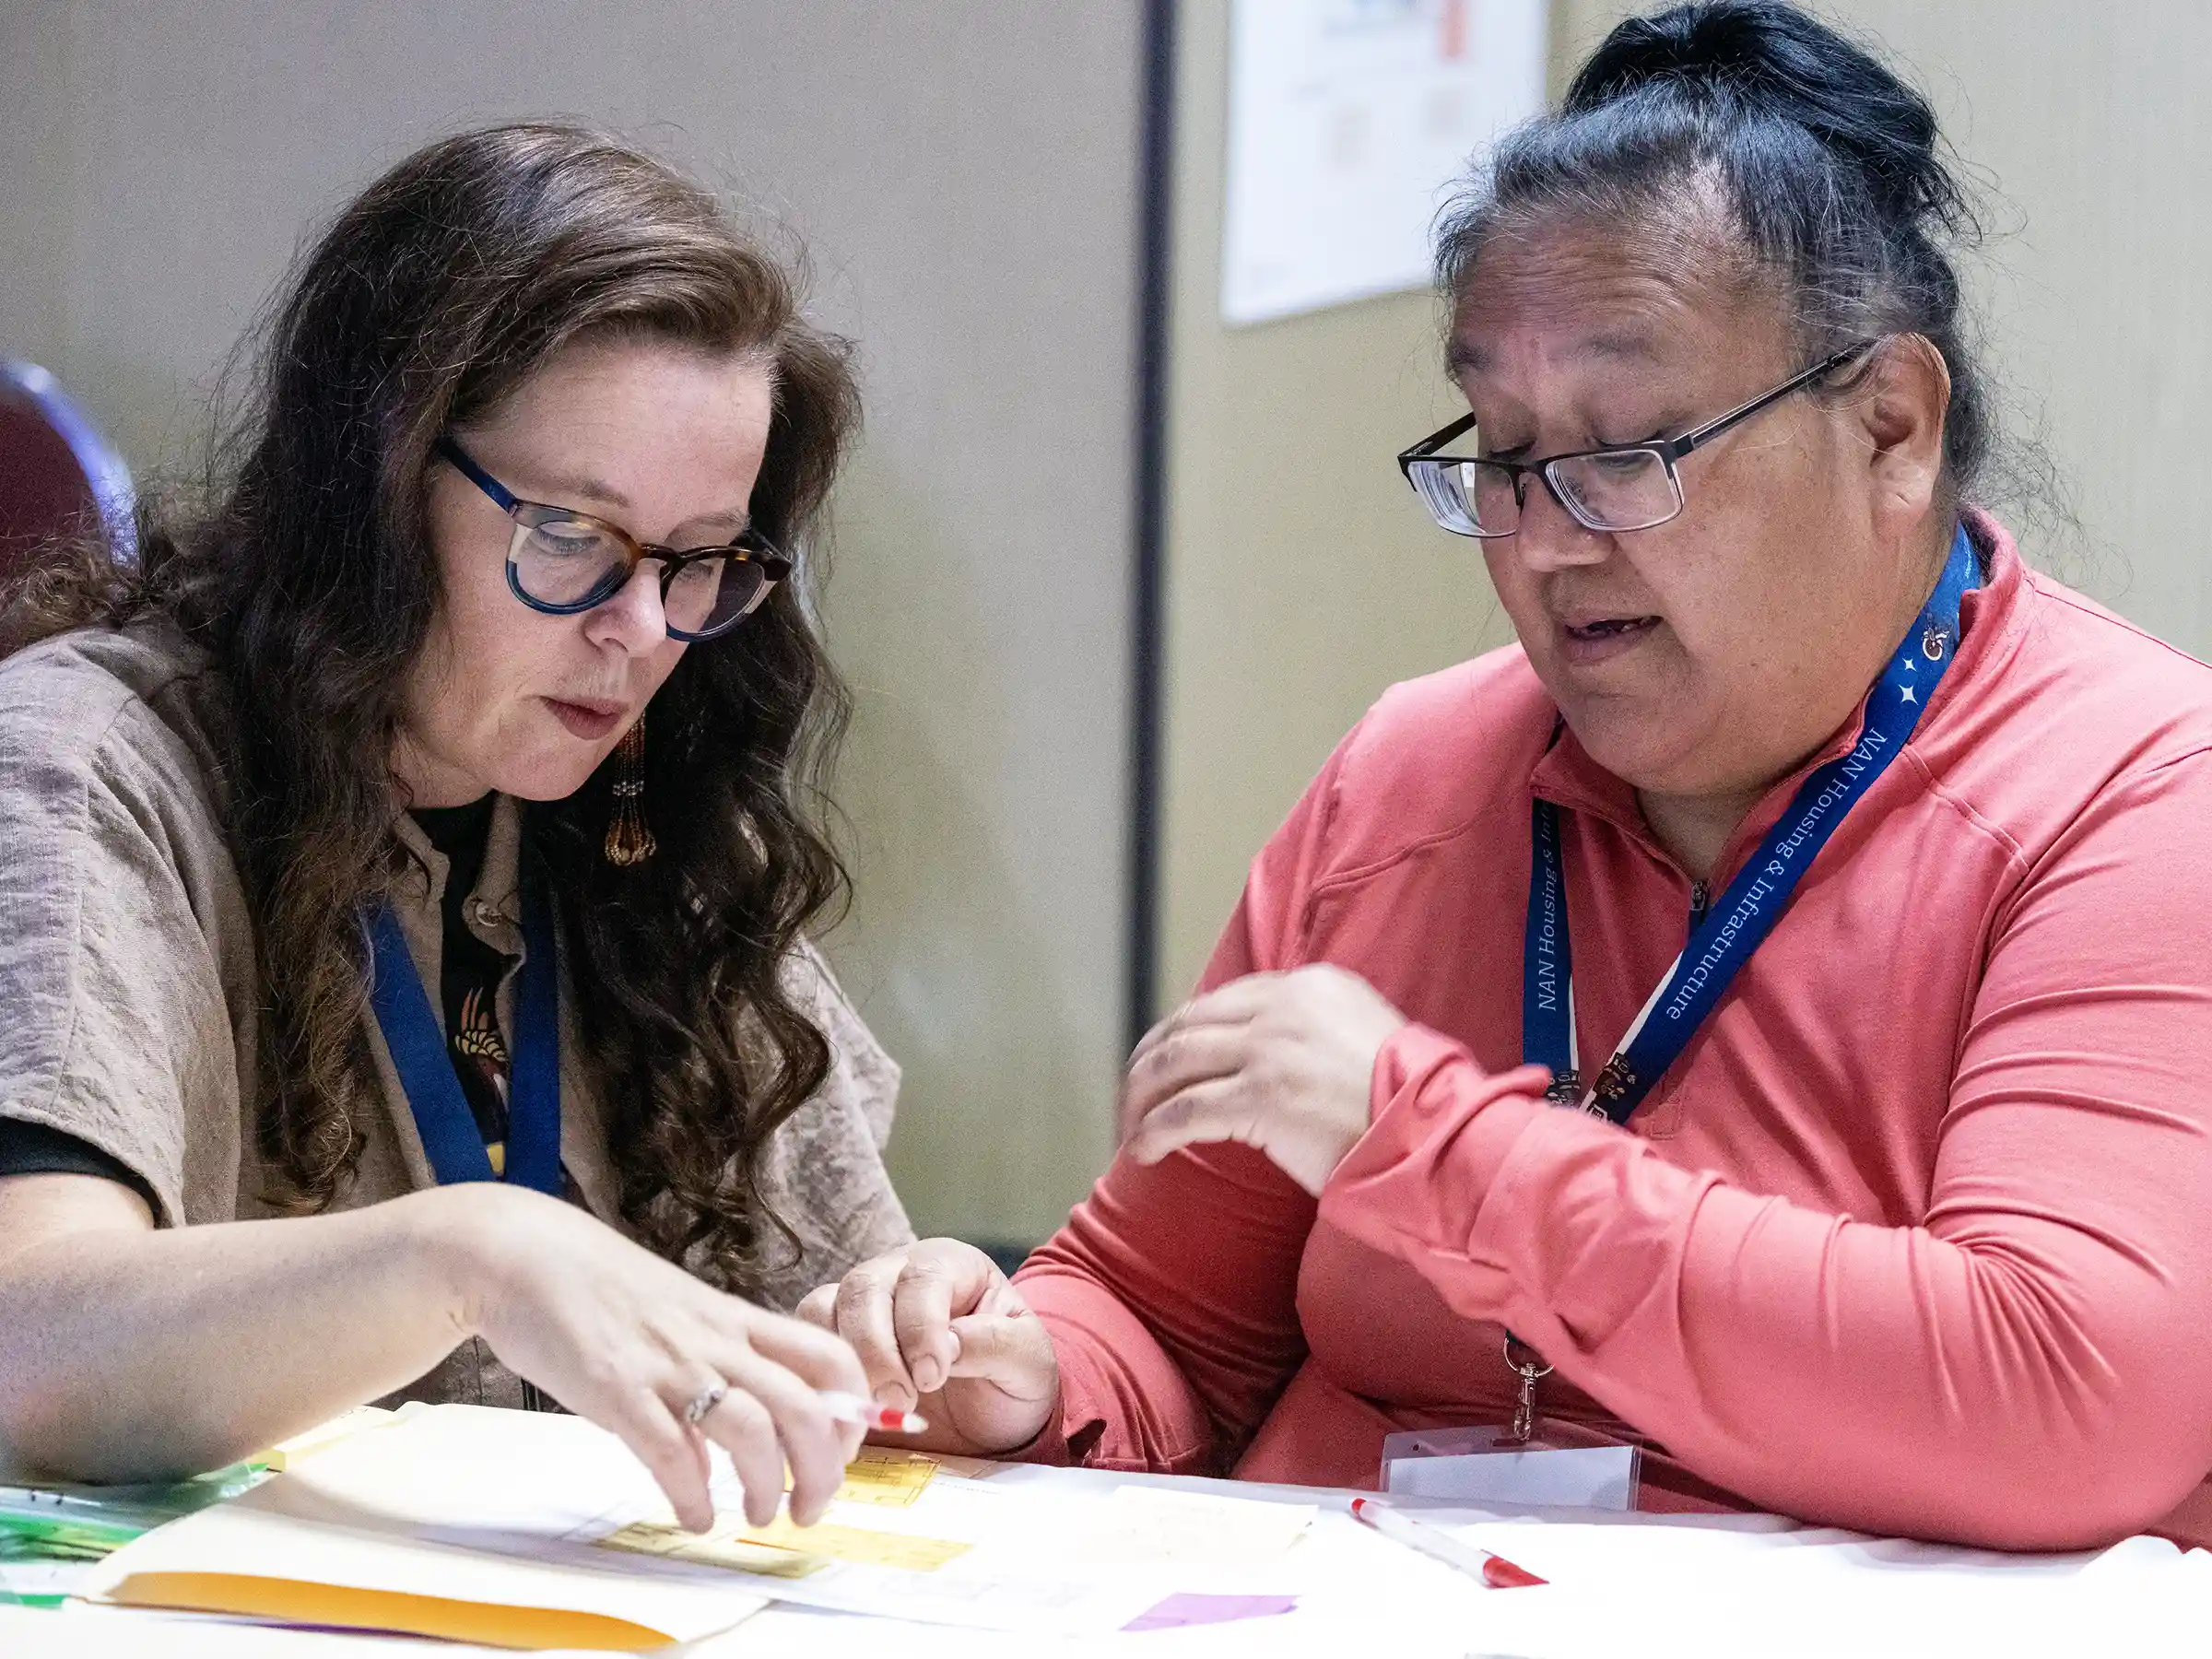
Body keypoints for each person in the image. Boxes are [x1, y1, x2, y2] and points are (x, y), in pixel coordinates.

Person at [803, 1, 2212, 1550]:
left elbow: (2066, 1401)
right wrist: (1020, 1366)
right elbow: (1163, 1317)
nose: (1544, 539)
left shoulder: (2137, 790)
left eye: (1629, 451)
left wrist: (1432, 1147)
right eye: (1505, 450)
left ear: (1890, 424)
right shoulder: (1412, 775)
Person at [0, 123, 913, 1533]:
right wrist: (469, 1252)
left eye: (698, 563)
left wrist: (941, 1347)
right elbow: (29, 1351)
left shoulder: (652, 822)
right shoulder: (91, 765)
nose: (638, 634)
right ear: (369, 490)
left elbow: (846, 1336)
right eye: (570, 537)